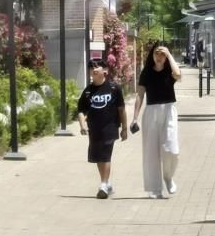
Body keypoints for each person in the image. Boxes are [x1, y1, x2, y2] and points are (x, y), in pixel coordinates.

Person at [131, 42, 182, 198]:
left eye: (162, 54)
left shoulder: (169, 71)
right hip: (151, 112)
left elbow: (178, 75)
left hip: (169, 111)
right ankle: (154, 188)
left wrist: (169, 55)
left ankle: (168, 176)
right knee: (151, 152)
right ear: (152, 55)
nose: (159, 57)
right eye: (156, 53)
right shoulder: (146, 72)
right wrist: (135, 118)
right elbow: (140, 94)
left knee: (171, 149)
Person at [77, 59, 128, 199]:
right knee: (98, 157)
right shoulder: (88, 91)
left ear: (105, 71)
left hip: (110, 127)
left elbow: (121, 109)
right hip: (94, 129)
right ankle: (106, 183)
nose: (94, 69)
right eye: (91, 67)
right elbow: (81, 110)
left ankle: (103, 185)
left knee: (105, 154)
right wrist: (82, 125)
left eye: (97, 67)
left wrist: (124, 128)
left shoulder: (114, 88)